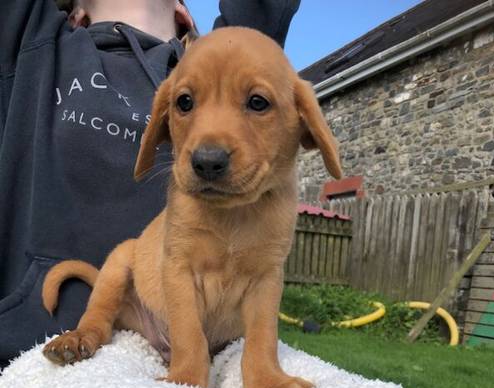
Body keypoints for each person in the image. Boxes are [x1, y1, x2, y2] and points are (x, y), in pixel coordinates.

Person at [0, 0, 301, 369]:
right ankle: (92, 326)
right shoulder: (36, 48)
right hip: (36, 339)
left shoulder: (216, 65)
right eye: (186, 103)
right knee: (125, 256)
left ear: (182, 14)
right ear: (76, 14)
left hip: (205, 345)